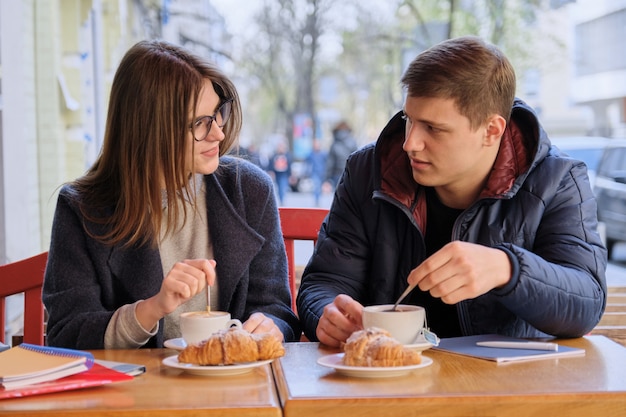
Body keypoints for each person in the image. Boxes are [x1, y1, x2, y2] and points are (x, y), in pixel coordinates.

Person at [297, 36, 607, 347]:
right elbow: (325, 282)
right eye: (409, 120)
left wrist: (508, 268)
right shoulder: (368, 171)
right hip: (390, 379)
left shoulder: (557, 179)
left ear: (491, 131)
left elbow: (586, 302)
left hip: (507, 385)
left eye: (433, 128)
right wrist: (327, 315)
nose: (410, 143)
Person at [42, 40, 301, 350]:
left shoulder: (249, 190)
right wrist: (152, 308)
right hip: (134, 393)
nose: (218, 132)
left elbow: (277, 310)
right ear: (151, 129)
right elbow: (67, 333)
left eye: (218, 113)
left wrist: (271, 327)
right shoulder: (82, 208)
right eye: (201, 123)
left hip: (236, 385)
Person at [325, 120, 357, 188]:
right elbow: (357, 160)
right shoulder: (353, 142)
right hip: (350, 174)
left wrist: (327, 178)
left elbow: (330, 163)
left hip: (337, 175)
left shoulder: (334, 144)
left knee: (339, 196)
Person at [268, 141, 293, 205]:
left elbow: (289, 165)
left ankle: (282, 200)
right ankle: (281, 198)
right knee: (279, 188)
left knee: (283, 186)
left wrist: (290, 175)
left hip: (284, 174)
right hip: (277, 174)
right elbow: (271, 164)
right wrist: (271, 171)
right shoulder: (274, 155)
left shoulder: (287, 155)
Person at [306, 139, 328, 207]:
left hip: (322, 172)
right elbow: (307, 163)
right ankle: (317, 200)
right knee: (317, 186)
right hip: (314, 173)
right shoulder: (311, 154)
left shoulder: (324, 154)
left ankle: (318, 197)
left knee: (319, 186)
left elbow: (327, 163)